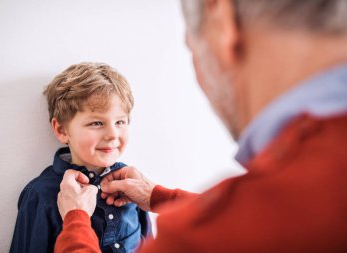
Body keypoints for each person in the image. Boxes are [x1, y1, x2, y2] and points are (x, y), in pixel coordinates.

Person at [55, 0, 347, 252]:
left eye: (192, 49)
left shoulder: (199, 240)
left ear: (221, 18)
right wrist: (157, 195)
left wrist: (76, 221)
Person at [10, 62, 151, 253]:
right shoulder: (40, 194)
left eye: (120, 122)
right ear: (61, 130)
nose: (112, 134)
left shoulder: (132, 185)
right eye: (97, 123)